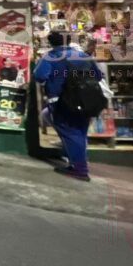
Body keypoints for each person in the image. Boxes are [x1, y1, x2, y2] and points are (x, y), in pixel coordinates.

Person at [33, 30, 106, 182]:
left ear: (51, 42)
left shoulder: (50, 57)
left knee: (71, 133)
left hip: (61, 102)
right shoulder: (83, 55)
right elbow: (98, 76)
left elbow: (39, 76)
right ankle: (74, 159)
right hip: (86, 101)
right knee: (79, 132)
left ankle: (80, 169)